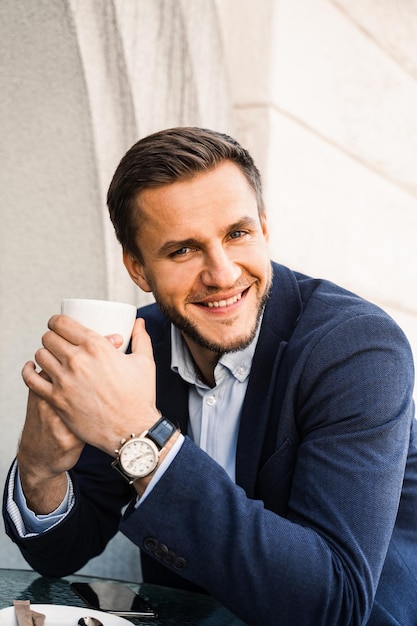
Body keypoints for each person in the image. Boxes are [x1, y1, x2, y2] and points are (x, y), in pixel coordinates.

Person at [3, 127, 416, 626]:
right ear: (138, 268)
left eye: (237, 234)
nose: (222, 274)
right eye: (182, 250)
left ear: (263, 228)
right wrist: (40, 469)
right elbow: (61, 554)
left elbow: (333, 605)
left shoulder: (356, 349)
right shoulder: (141, 344)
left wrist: (140, 437)